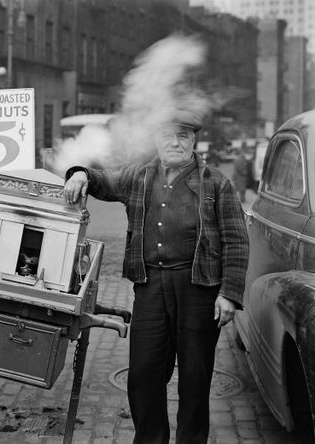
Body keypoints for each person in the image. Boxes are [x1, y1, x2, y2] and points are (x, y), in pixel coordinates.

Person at [63, 110, 249, 444]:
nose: (174, 142)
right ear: (157, 139)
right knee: (144, 374)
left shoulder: (216, 183)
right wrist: (80, 174)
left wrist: (230, 294)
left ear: (193, 141)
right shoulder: (139, 176)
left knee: (195, 377)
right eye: (167, 135)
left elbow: (237, 240)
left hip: (198, 290)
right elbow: (104, 182)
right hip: (150, 288)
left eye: (182, 136)